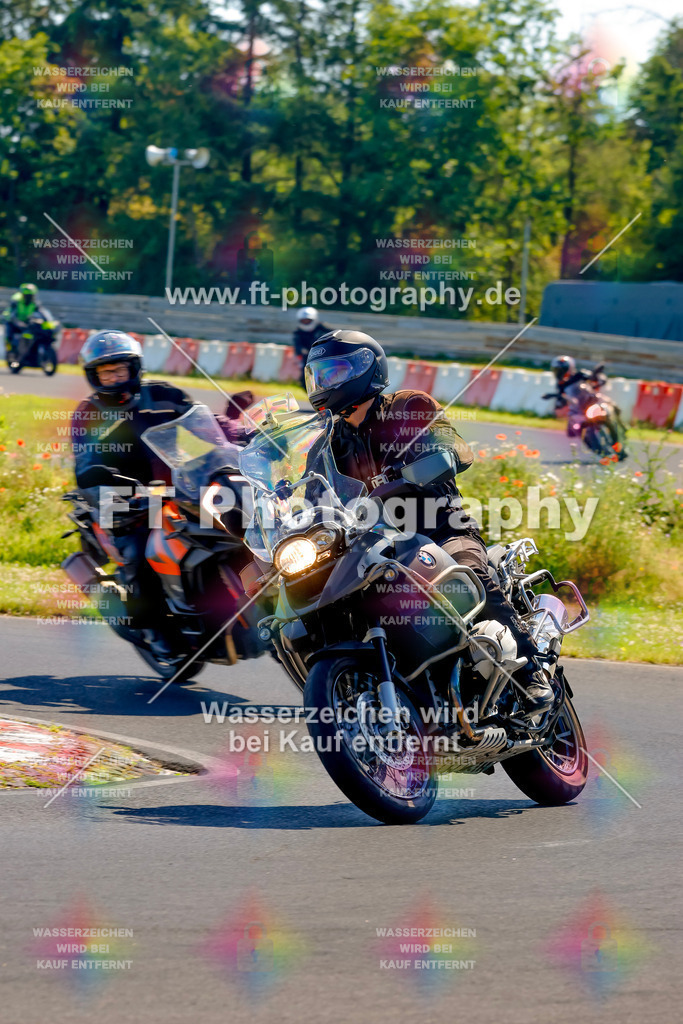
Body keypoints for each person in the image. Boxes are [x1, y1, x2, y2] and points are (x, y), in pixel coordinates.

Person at [304, 329, 555, 712]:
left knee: (470, 573)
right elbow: (312, 501)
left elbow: (454, 446)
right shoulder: (327, 445)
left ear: (365, 369)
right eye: (319, 375)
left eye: (333, 372)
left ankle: (530, 672)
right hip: (373, 548)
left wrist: (435, 459)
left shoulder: (408, 408)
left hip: (441, 529)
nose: (324, 383)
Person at [73, 331, 196, 650]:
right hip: (119, 496)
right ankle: (154, 629)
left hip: (176, 487)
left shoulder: (164, 394)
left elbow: (207, 422)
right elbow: (84, 463)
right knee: (143, 550)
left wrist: (241, 432)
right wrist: (105, 480)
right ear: (94, 376)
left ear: (134, 368)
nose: (114, 378)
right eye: (106, 373)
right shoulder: (88, 414)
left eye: (120, 370)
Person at [3, 283, 48, 360]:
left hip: (27, 324)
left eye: (31, 295)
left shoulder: (35, 303)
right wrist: (16, 321)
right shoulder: (16, 301)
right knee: (9, 336)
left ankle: (29, 353)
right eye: (27, 295)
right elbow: (11, 314)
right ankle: (11, 352)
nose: (29, 297)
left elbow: (42, 313)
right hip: (13, 322)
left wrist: (43, 320)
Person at [292, 307, 330, 387]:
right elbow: (297, 347)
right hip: (308, 357)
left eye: (308, 320)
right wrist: (302, 351)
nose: (306, 322)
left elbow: (333, 334)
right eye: (304, 321)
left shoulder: (321, 328)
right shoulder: (298, 332)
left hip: (323, 355)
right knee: (305, 379)